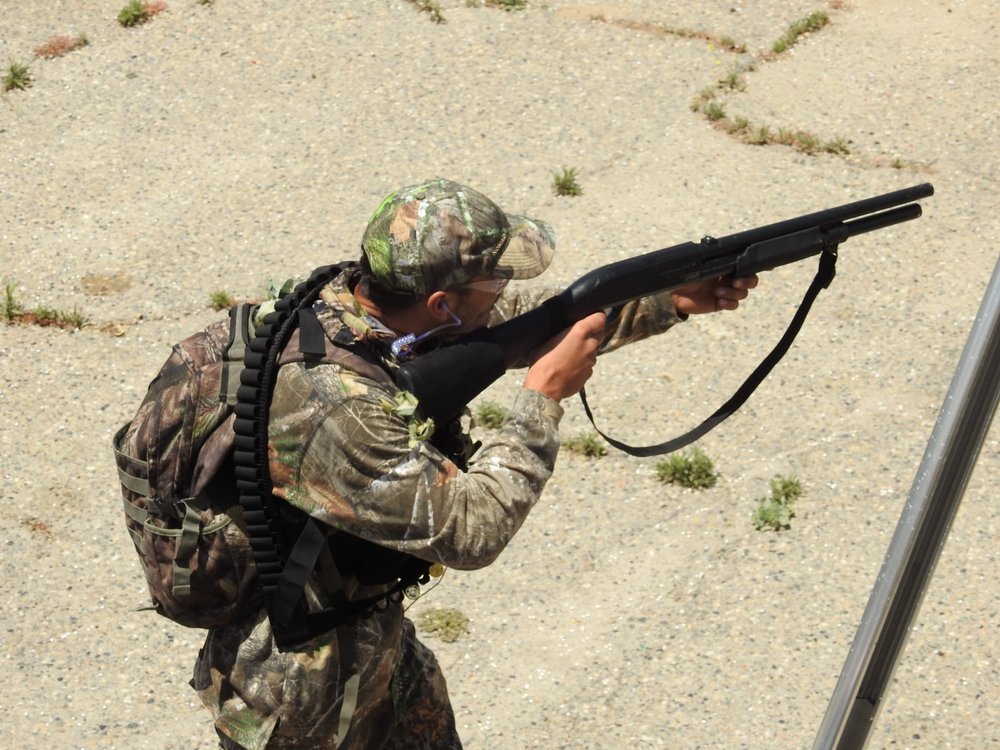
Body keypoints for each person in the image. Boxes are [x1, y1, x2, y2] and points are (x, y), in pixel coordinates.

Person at [192, 178, 759, 749]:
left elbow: (530, 321)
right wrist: (543, 397)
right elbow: (472, 530)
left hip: (370, 641)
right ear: (441, 304)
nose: (504, 291)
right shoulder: (334, 406)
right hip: (301, 691)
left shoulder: (359, 304)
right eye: (495, 281)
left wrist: (667, 298)